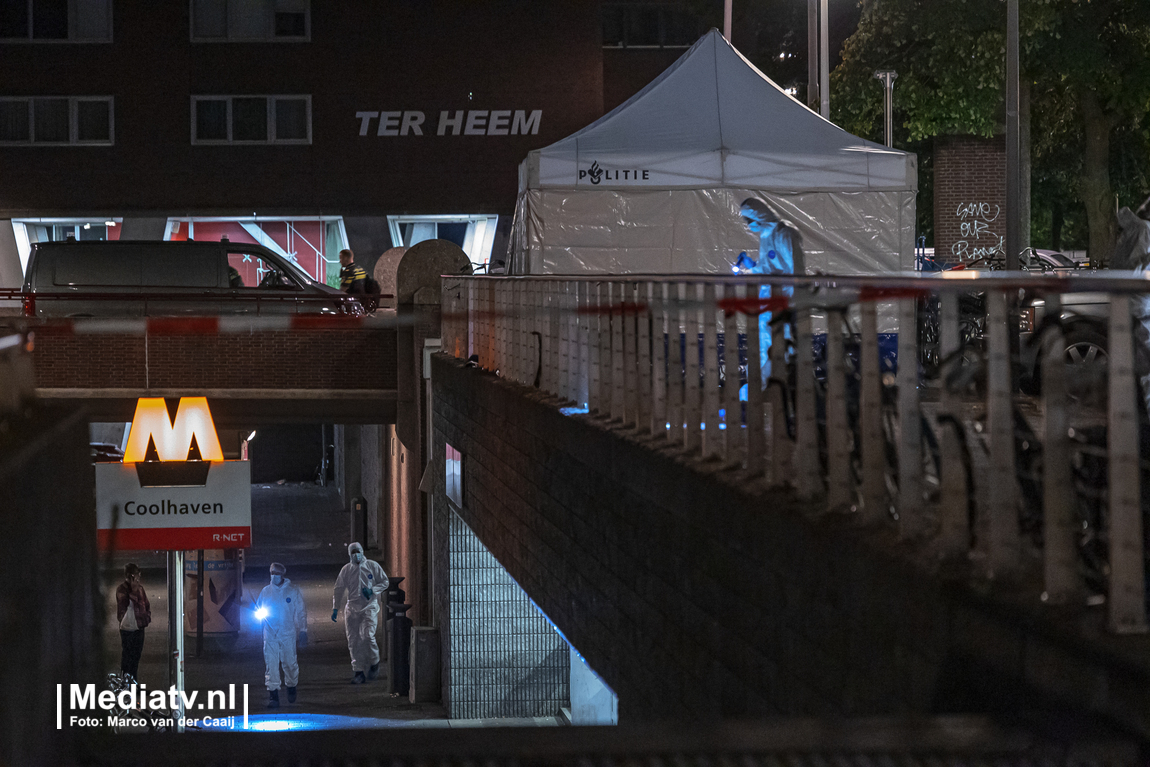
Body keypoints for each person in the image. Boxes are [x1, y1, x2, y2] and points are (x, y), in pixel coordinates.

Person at [739, 198, 805, 386]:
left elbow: (795, 270)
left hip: (783, 300)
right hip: (767, 301)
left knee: (782, 343)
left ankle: (779, 384)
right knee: (765, 344)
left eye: (748, 218)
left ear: (759, 214)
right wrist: (750, 268)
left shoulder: (784, 233)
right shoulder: (766, 236)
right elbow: (768, 268)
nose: (748, 224)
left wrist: (791, 303)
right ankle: (762, 386)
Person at [331, 542, 389, 683]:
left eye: (358, 551)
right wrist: (335, 608)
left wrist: (372, 590)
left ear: (362, 551)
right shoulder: (346, 570)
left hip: (369, 607)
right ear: (350, 554)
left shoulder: (372, 566)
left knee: (368, 635)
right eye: (353, 552)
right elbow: (338, 589)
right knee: (353, 640)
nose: (356, 554)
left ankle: (374, 661)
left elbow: (384, 582)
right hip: (352, 608)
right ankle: (358, 672)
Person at [256, 562, 308, 708]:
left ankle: (291, 686)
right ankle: (273, 695)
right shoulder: (266, 591)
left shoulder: (292, 591)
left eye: (276, 573)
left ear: (282, 575)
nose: (274, 576)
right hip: (270, 634)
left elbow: (301, 612)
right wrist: (260, 621)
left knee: (290, 663)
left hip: (287, 633)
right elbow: (258, 608)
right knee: (271, 665)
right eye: (272, 573)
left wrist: (303, 630)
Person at [115, 563, 151, 682]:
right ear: (130, 576)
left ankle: (134, 681)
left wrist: (147, 616)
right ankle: (125, 683)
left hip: (139, 626)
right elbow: (123, 603)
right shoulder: (122, 589)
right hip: (127, 628)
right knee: (127, 657)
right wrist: (133, 589)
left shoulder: (140, 588)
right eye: (136, 575)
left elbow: (145, 603)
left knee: (136, 656)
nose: (138, 577)